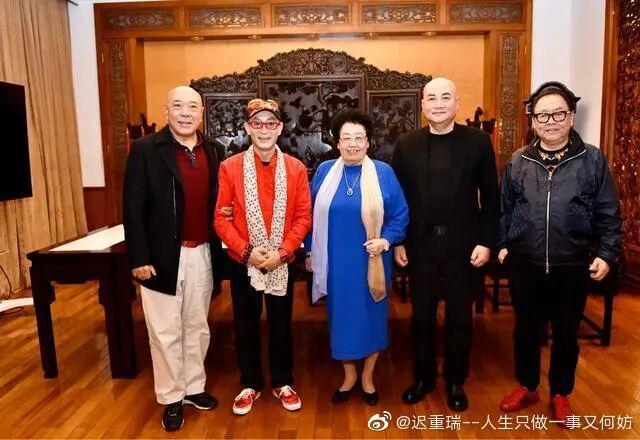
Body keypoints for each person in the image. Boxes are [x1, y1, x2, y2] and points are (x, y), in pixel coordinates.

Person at [497, 81, 622, 427]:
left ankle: (560, 393)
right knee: (525, 330)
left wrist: (607, 253)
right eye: (543, 115)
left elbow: (609, 212)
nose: (550, 121)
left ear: (571, 117)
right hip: (525, 263)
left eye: (558, 114)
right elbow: (504, 210)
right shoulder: (518, 161)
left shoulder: (592, 160)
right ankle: (528, 386)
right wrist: (503, 244)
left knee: (566, 333)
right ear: (532, 120)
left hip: (572, 263)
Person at [391, 77, 499, 411]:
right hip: (419, 244)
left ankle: (455, 380)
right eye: (432, 98)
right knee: (421, 317)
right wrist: (398, 242)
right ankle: (422, 377)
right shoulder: (405, 144)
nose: (438, 104)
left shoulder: (478, 143)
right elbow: (397, 201)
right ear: (422, 105)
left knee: (460, 318)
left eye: (445, 97)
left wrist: (486, 241)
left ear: (456, 103)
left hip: (464, 246)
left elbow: (491, 198)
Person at [123, 86, 221, 431]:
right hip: (161, 256)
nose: (185, 113)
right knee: (164, 331)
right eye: (178, 106)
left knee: (197, 326)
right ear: (166, 111)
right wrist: (139, 256)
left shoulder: (214, 150)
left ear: (201, 113)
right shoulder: (146, 149)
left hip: (202, 252)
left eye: (192, 107)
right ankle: (171, 396)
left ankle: (193, 387)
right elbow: (132, 208)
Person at [214, 99, 312, 416]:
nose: (264, 130)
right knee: (245, 324)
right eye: (257, 124)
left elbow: (303, 217)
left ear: (280, 128)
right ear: (248, 128)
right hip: (243, 261)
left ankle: (282, 381)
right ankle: (250, 383)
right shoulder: (230, 167)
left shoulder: (296, 168)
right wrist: (247, 252)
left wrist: (282, 253)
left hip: (283, 260)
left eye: (271, 123)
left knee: (282, 325)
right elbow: (220, 219)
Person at [305, 109, 408, 406]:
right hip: (336, 263)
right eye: (346, 138)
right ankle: (349, 375)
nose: (352, 144)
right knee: (341, 320)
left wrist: (386, 240)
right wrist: (310, 250)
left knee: (371, 319)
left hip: (372, 260)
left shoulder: (383, 173)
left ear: (368, 142)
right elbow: (309, 215)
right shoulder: (325, 172)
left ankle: (368, 377)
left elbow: (400, 214)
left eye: (359, 138)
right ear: (336, 142)